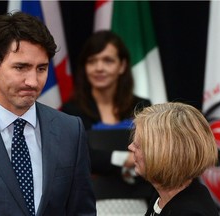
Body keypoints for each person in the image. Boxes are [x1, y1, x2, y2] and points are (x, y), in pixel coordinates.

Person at [0, 11, 96, 216]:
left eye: (41, 68)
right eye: (21, 67)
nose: (32, 81)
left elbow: (81, 211)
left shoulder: (70, 130)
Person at [61, 30, 154, 212]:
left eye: (108, 60)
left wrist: (107, 161)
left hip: (139, 202)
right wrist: (124, 159)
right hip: (90, 204)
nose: (99, 68)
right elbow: (82, 156)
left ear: (122, 66)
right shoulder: (71, 110)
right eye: (92, 61)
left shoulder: (143, 106)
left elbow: (153, 153)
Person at [128, 102, 219, 216]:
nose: (130, 147)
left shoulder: (189, 212)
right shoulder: (163, 196)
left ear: (165, 154)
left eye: (138, 145)